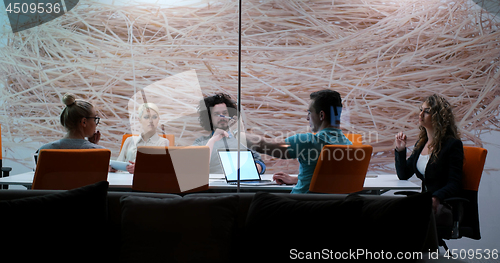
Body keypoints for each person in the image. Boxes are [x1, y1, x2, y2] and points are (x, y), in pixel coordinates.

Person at [244, 89, 352, 193]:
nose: (307, 118)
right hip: (329, 207)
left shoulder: (308, 141)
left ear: (321, 115)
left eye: (309, 112)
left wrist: (235, 133)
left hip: (302, 205)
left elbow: (262, 144)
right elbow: (328, 179)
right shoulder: (349, 145)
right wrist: (296, 179)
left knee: (260, 198)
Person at [395, 94, 463, 216]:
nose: (421, 114)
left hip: (442, 203)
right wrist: (400, 150)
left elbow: (455, 183)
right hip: (425, 202)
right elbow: (404, 174)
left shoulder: (452, 145)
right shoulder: (421, 144)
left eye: (427, 112)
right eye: (421, 110)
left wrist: (437, 197)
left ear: (438, 117)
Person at [193, 93, 266, 174]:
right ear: (209, 118)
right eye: (217, 114)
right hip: (215, 185)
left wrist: (256, 168)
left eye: (224, 113)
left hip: (241, 184)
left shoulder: (242, 139)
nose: (222, 117)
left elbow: (260, 162)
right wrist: (212, 141)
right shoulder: (201, 142)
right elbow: (196, 167)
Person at [115, 103, 169, 174]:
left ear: (158, 119)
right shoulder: (129, 140)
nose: (151, 120)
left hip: (148, 182)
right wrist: (113, 168)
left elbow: (162, 168)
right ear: (139, 119)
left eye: (154, 117)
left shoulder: (163, 142)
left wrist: (140, 168)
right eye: (146, 117)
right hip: (124, 181)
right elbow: (118, 163)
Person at [39, 93, 105, 150]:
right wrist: (94, 146)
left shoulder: (45, 150)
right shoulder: (98, 152)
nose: (96, 124)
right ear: (84, 122)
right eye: (94, 119)